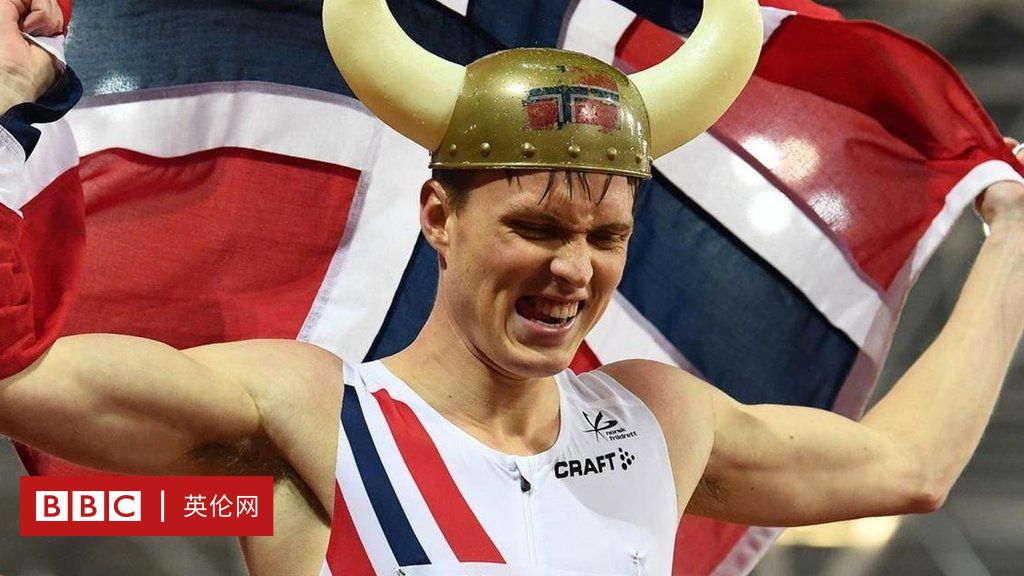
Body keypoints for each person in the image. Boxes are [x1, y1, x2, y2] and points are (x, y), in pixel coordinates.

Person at [2, 0, 1023, 574]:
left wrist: (1013, 234)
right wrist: (11, 113)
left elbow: (908, 466)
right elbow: (17, 374)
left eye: (605, 236)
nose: (573, 269)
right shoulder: (306, 407)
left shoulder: (659, 421)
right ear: (438, 217)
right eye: (535, 228)